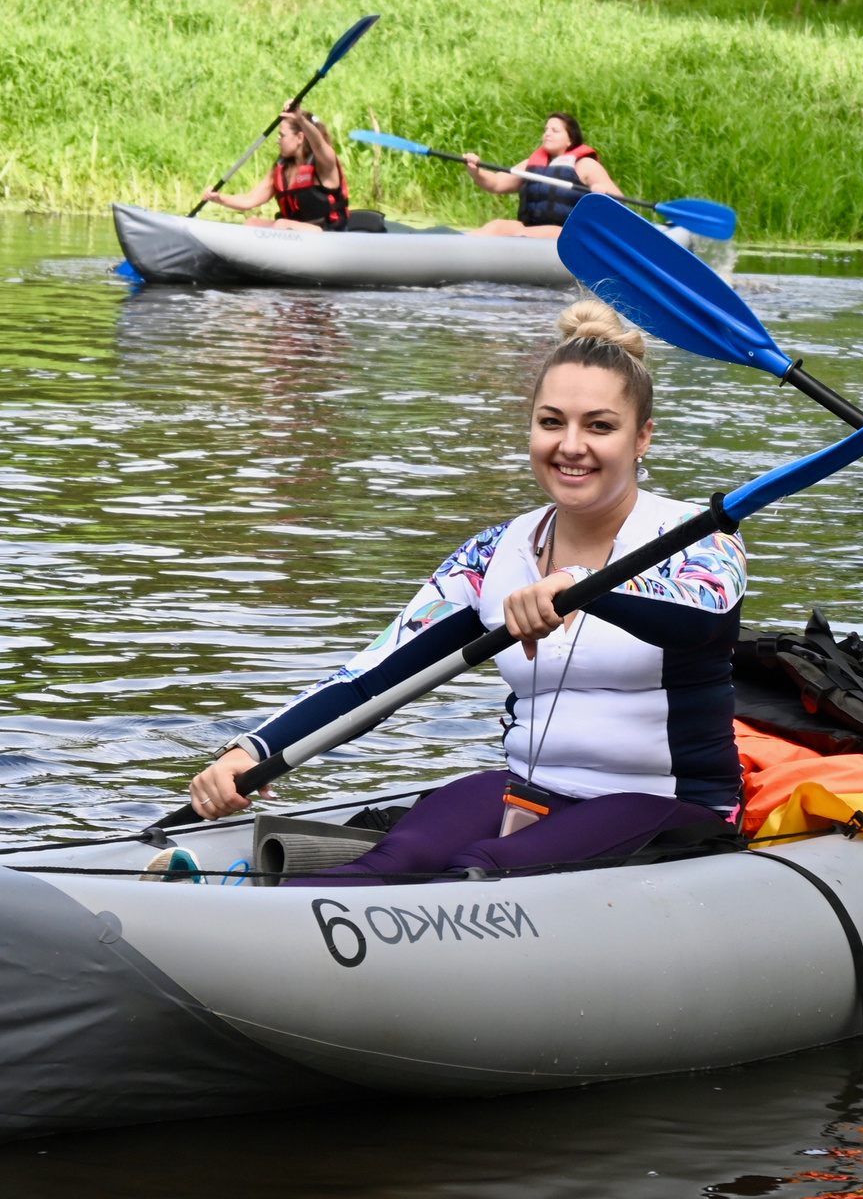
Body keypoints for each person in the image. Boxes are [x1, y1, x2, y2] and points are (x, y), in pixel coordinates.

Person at [187, 300, 746, 880]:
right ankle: (231, 905)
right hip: (530, 789)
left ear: (642, 437)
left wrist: (580, 585)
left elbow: (701, 618)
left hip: (669, 804)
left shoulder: (702, 537)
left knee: (480, 865)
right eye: (551, 422)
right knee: (398, 859)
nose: (571, 445)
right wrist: (252, 751)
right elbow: (371, 679)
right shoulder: (491, 554)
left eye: (599, 426)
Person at [462, 113, 622, 237]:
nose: (547, 134)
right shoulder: (530, 164)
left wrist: (603, 195)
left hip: (566, 233)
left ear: (570, 139)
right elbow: (496, 183)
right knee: (496, 226)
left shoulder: (585, 165)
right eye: (546, 130)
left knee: (521, 233)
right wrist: (476, 171)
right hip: (529, 228)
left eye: (555, 130)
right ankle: (458, 243)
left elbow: (620, 200)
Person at [200, 111, 350, 230]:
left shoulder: (324, 163)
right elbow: (249, 200)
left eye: (282, 136)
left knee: (281, 225)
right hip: (293, 233)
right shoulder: (282, 169)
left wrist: (300, 119)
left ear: (300, 137)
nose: (278, 141)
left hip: (327, 232)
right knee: (252, 223)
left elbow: (318, 145)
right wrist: (219, 198)